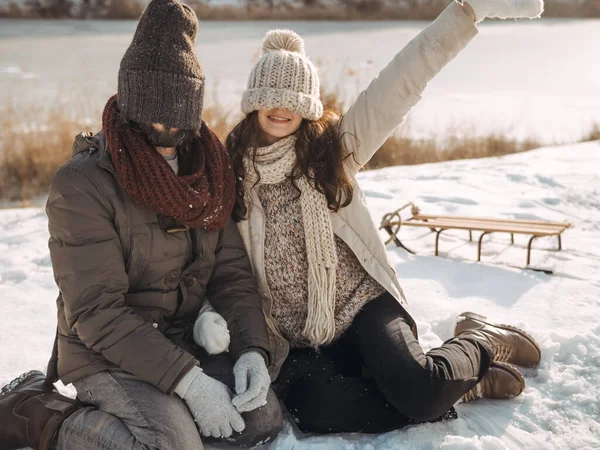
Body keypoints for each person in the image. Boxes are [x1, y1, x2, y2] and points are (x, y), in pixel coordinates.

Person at [219, 0, 544, 433]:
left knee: (419, 389)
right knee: (314, 411)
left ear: (308, 105)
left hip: (362, 307)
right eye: (271, 99)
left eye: (292, 99)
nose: (281, 109)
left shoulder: (331, 153)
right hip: (292, 336)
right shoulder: (229, 174)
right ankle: (460, 386)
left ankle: (478, 340)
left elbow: (401, 82)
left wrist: (464, 13)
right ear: (254, 102)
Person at [0, 1, 282, 449]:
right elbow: (97, 314)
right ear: (131, 102)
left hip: (178, 338)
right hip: (103, 352)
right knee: (175, 445)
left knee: (262, 418)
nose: (167, 125)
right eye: (154, 110)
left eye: (179, 112)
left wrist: (252, 348)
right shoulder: (82, 185)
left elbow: (231, 273)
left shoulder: (209, 172)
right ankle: (38, 413)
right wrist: (190, 383)